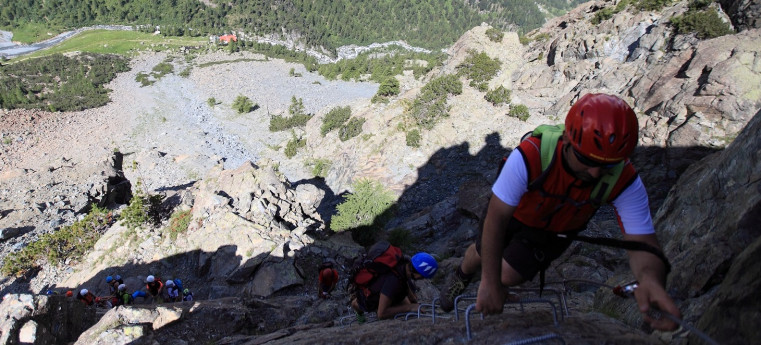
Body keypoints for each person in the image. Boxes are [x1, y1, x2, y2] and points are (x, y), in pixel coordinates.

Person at [437, 93, 681, 331]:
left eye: (607, 165)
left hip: (553, 231)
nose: (595, 173)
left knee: (508, 276)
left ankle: (491, 273)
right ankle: (463, 272)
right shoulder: (529, 156)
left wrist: (650, 280)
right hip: (514, 215)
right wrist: (488, 282)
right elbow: (497, 218)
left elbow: (642, 242)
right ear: (566, 140)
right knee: (481, 253)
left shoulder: (625, 181)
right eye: (586, 159)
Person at [351, 252, 438, 320]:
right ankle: (358, 309)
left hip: (387, 291)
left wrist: (413, 299)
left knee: (411, 312)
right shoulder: (393, 281)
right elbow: (381, 314)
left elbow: (404, 282)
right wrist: (410, 307)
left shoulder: (403, 265)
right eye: (422, 277)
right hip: (371, 298)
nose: (422, 279)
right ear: (418, 274)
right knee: (358, 305)